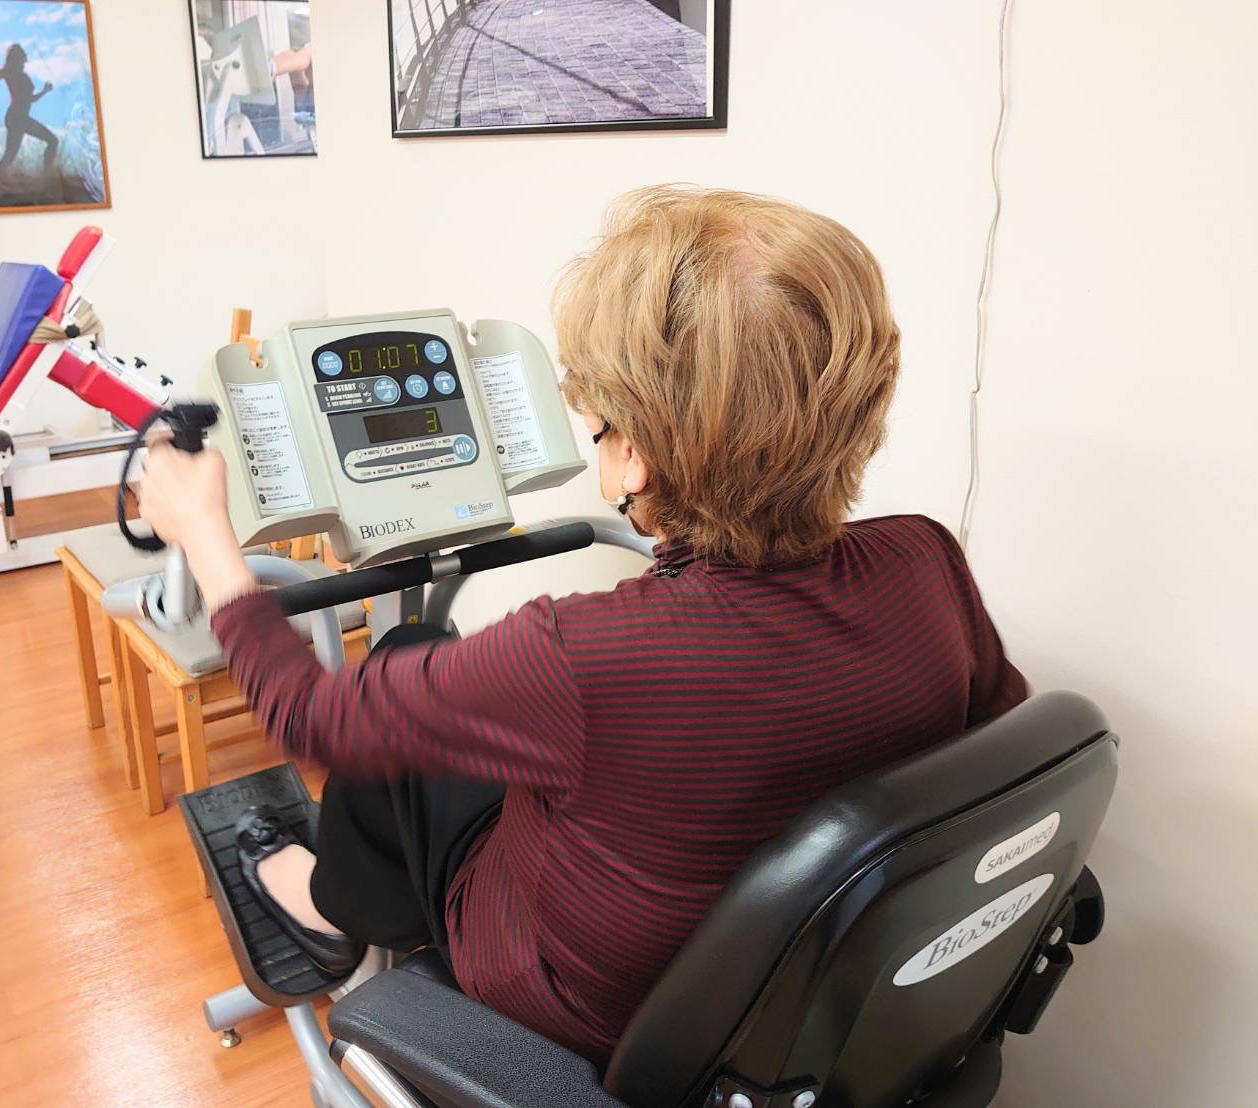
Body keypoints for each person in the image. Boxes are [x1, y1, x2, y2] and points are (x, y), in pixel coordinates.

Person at [136, 186, 1028, 1064]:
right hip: (798, 990)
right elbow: (988, 753)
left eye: (598, 429)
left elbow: (311, 717)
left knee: (400, 674)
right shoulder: (926, 559)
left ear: (633, 454)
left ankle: (328, 911)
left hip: (590, 1002)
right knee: (427, 665)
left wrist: (207, 538)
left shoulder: (579, 655)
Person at [0, 44, 58, 179]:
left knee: (10, 156)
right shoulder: (9, 71)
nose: (25, 60)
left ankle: (46, 177)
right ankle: (46, 177)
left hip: (21, 118)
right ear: (16, 58)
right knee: (52, 141)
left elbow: (31, 99)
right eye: (22, 57)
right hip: (16, 117)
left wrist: (44, 91)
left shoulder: (24, 76)